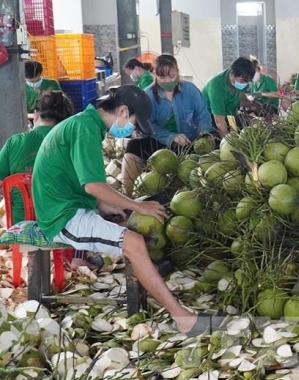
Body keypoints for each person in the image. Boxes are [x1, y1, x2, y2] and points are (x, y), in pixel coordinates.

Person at [31, 85, 219, 335]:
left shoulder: (85, 123)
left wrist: (107, 206)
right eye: (133, 120)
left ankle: (159, 299)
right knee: (135, 243)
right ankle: (183, 319)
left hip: (68, 205)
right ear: (122, 110)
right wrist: (135, 205)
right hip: (62, 217)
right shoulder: (85, 128)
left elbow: (75, 179)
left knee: (128, 229)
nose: (132, 127)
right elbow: (93, 185)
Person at [121, 55, 214, 195]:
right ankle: (126, 194)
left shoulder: (190, 90)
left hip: (189, 142)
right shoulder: (148, 96)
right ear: (155, 75)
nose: (167, 81)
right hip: (160, 144)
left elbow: (203, 114)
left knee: (213, 145)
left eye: (171, 76)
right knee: (134, 145)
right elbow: (148, 125)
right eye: (162, 77)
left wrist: (204, 133)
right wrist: (171, 137)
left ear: (177, 71)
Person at [1, 91, 73, 225]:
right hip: (60, 225)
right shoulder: (70, 144)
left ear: (35, 115)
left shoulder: (14, 142)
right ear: (66, 121)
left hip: (19, 223)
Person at [202, 57, 256, 137]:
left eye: (247, 81)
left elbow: (240, 96)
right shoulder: (216, 87)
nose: (244, 84)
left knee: (248, 126)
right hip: (210, 119)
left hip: (229, 115)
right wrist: (228, 142)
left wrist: (250, 104)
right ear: (232, 74)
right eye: (242, 81)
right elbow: (219, 120)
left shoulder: (241, 81)